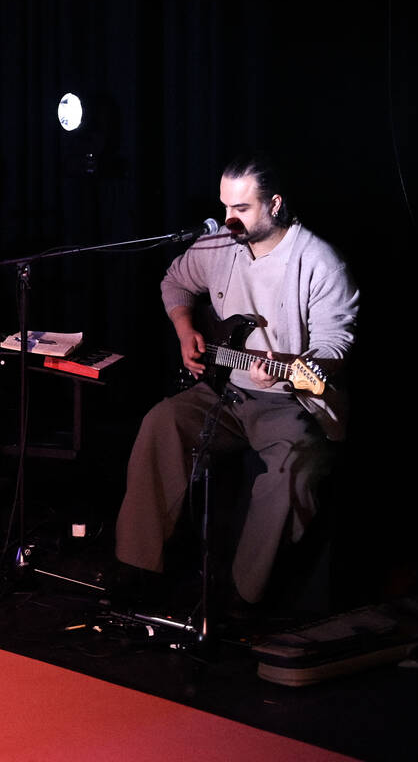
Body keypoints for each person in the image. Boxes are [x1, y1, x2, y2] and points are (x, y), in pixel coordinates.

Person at [112, 152, 358, 612]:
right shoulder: (220, 246)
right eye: (225, 207)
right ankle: (138, 571)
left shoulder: (320, 262)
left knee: (292, 472)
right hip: (224, 390)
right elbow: (175, 283)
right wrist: (186, 330)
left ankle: (240, 600)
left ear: (276, 204)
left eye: (242, 209)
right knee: (160, 423)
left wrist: (291, 366)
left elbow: (335, 346)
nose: (230, 219)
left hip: (290, 400)